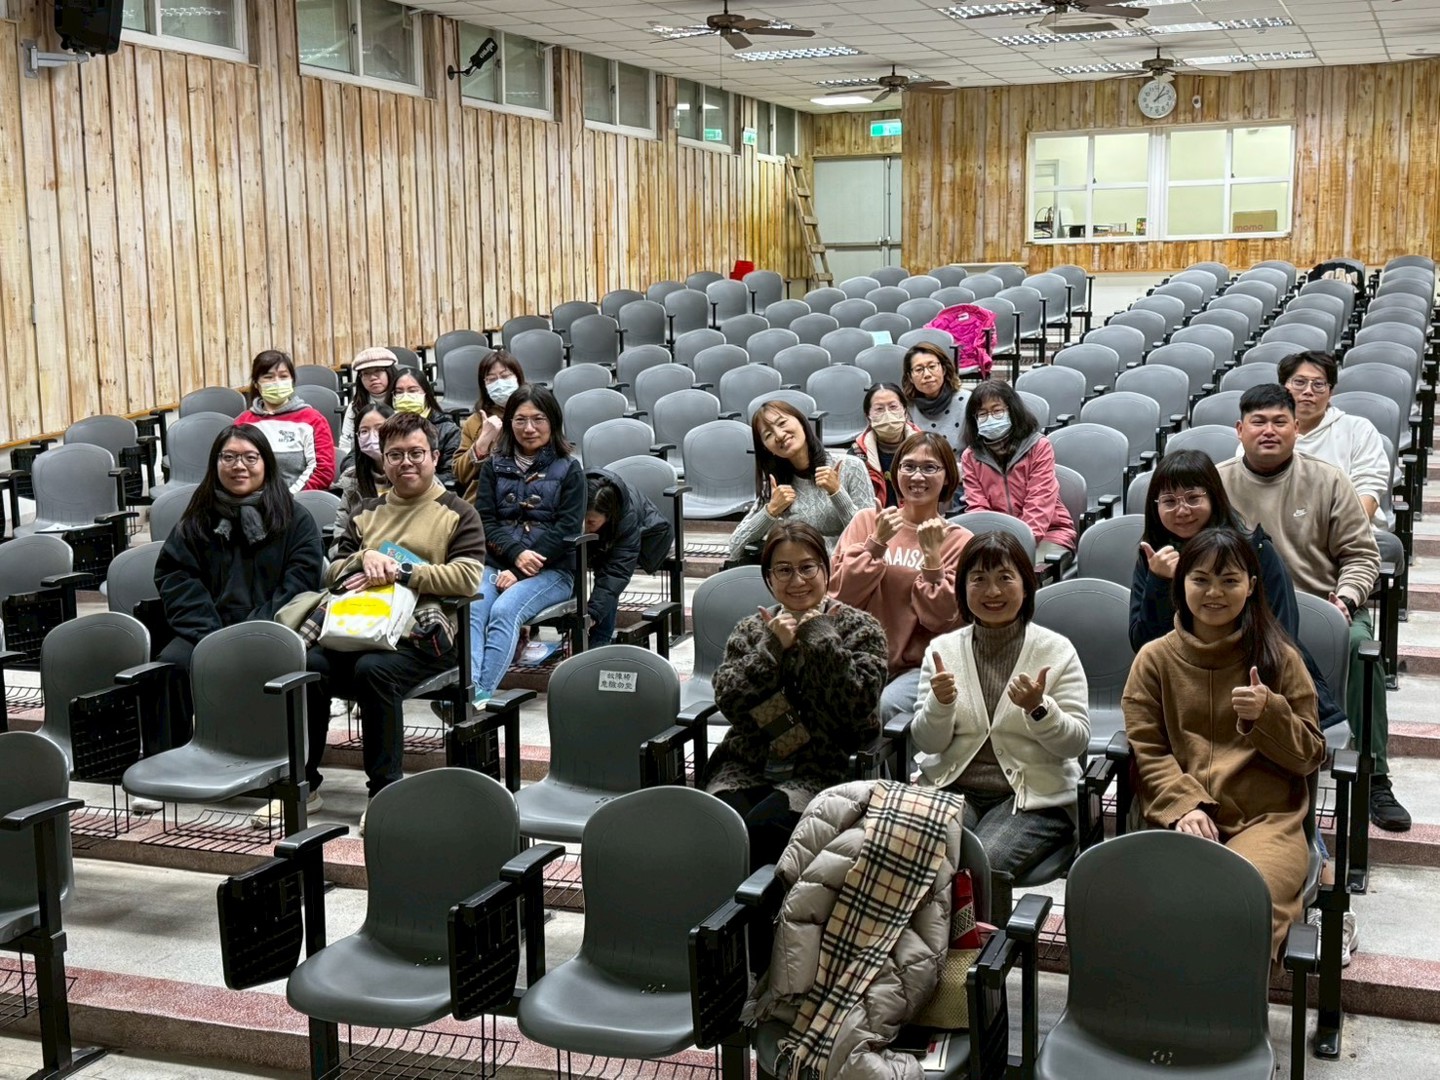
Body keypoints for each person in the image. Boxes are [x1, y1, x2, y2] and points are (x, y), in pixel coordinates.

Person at [1123, 527, 1325, 958]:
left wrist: (1269, 714)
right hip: (1180, 818)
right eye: (1200, 580)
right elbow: (1148, 749)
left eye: (1229, 580)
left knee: (1244, 905)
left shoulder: (1279, 657)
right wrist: (1184, 805)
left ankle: (1231, 1004)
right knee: (1159, 910)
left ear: (1250, 587)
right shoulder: (1154, 659)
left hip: (1266, 820)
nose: (1214, 593)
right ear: (1181, 585)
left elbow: (1310, 754)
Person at [1218, 384, 1408, 831]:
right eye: (1258, 422)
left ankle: (1374, 775)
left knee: (1360, 647)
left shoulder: (1329, 480)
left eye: (1279, 422)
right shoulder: (1218, 483)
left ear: (1297, 428)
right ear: (1240, 430)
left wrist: (1347, 598)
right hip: (1239, 611)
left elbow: (1361, 555)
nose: (1269, 431)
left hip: (1322, 605)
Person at [296, 412, 485, 831]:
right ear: (383, 460)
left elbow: (467, 577)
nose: (406, 463)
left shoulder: (458, 512)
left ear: (435, 456)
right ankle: (303, 784)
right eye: (395, 455)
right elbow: (333, 570)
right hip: (362, 624)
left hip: (426, 634)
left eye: (416, 453)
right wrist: (366, 557)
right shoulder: (367, 510)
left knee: (373, 670)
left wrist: (401, 571)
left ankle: (384, 792)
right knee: (311, 666)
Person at [706, 522, 888, 868]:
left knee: (764, 830)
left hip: (823, 768)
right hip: (750, 763)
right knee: (717, 826)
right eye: (784, 570)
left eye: (807, 568)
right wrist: (771, 650)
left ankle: (768, 905)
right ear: (769, 578)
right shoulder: (753, 629)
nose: (797, 580)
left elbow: (855, 708)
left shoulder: (860, 628)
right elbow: (731, 702)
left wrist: (822, 641)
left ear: (826, 571)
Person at [910, 531, 1090, 876]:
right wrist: (940, 704)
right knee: (915, 850)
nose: (992, 591)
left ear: (1026, 586)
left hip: (1034, 797)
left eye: (1005, 578)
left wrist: (1039, 709)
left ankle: (979, 917)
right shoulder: (943, 650)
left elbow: (1075, 744)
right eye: (979, 579)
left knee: (982, 864)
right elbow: (928, 743)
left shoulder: (1056, 651)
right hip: (953, 787)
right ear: (963, 588)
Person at [154, 425, 325, 763]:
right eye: (229, 457)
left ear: (266, 464)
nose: (239, 466)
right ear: (216, 463)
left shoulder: (295, 519)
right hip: (207, 630)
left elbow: (300, 586)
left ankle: (302, 772)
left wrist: (252, 634)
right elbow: (176, 577)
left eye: (250, 458)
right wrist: (212, 636)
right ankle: (172, 764)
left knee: (315, 668)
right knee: (170, 666)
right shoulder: (197, 518)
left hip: (274, 629)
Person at [830, 432, 971, 725]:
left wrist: (932, 560)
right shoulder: (868, 521)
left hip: (918, 667)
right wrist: (876, 544)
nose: (917, 476)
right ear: (896, 473)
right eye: (909, 466)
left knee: (879, 709)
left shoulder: (959, 541)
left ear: (947, 477)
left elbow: (942, 618)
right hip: (856, 655)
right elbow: (839, 595)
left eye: (930, 467)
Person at [471, 385, 584, 703]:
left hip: (554, 570)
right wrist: (515, 555)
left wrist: (521, 570)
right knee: (473, 608)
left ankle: (479, 696)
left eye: (538, 419)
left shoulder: (569, 468)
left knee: (504, 611)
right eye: (520, 420)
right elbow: (485, 520)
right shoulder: (494, 465)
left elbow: (566, 528)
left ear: (553, 421)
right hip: (498, 563)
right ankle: (468, 690)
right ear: (509, 423)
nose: (529, 428)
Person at [726, 400, 874, 561]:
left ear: (801, 422)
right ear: (767, 448)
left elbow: (869, 537)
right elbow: (735, 546)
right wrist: (771, 510)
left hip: (845, 568)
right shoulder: (778, 485)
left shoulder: (851, 467)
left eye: (782, 423)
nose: (779, 435)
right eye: (768, 435)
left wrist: (837, 492)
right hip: (800, 571)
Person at [960, 379, 1075, 561]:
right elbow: (978, 509)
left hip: (1049, 533)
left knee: (1018, 571)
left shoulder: (1039, 446)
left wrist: (1017, 546)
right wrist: (993, 546)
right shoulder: (971, 456)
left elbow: (1039, 501)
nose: (990, 418)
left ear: (1012, 411)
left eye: (997, 411)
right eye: (982, 413)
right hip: (995, 541)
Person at [1278, 351, 1392, 528]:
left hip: (1345, 530)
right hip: (1278, 530)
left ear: (1330, 392)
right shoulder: (1266, 431)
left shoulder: (1358, 429)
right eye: (1299, 382)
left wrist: (1337, 533)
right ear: (1283, 388)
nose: (1308, 391)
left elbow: (1368, 489)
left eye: (1318, 384)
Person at [584, 469, 673, 648]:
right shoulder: (573, 493)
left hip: (648, 538)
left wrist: (592, 614)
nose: (584, 527)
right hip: (603, 538)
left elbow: (615, 573)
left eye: (590, 522)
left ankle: (600, 639)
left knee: (607, 572)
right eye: (581, 518)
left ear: (608, 516)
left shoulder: (626, 520)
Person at [234, 349, 336, 493]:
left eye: (283, 376)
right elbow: (234, 467)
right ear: (256, 384)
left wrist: (288, 498)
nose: (277, 382)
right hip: (252, 500)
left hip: (297, 500)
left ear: (292, 381)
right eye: (268, 377)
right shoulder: (242, 422)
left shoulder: (313, 420)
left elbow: (323, 471)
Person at [453, 350, 525, 501]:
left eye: (505, 376)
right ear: (484, 385)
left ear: (518, 378)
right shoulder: (475, 421)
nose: (499, 383)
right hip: (486, 497)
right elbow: (460, 475)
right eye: (491, 379)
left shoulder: (536, 413)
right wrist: (482, 443)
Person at [331, 402, 393, 555]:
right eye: (364, 431)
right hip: (360, 562)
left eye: (379, 429)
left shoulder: (416, 477)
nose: (372, 436)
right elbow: (339, 539)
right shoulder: (352, 481)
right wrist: (359, 560)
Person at [390, 366, 462, 490]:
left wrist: (414, 481)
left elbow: (451, 474)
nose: (405, 396)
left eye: (412, 391)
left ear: (426, 393)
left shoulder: (447, 430)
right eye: (399, 392)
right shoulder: (386, 427)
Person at [850, 382, 919, 508]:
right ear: (868, 416)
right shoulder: (857, 453)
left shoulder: (925, 446)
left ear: (905, 411)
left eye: (893, 407)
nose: (887, 414)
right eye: (879, 409)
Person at [903, 342, 970, 454]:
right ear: (910, 377)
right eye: (919, 369)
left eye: (932, 367)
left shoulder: (966, 401)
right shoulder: (906, 406)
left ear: (944, 369)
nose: (927, 374)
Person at [337, 347, 396, 459]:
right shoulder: (355, 405)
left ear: (389, 372)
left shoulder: (403, 400)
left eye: (378, 370)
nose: (373, 377)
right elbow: (346, 443)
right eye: (366, 373)